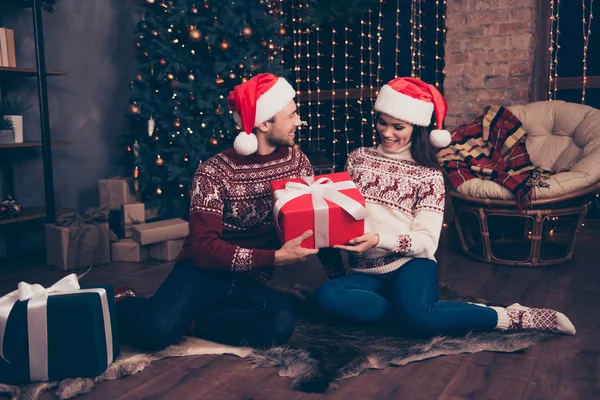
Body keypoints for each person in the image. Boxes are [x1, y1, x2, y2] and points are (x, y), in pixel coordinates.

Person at [314, 77, 576, 337]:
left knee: (419, 316)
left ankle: (509, 315)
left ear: (416, 128)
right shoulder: (358, 159)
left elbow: (427, 242)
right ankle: (418, 314)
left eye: (398, 127)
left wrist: (379, 239)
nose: (387, 132)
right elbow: (339, 212)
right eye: (382, 122)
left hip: (410, 265)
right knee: (327, 296)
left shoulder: (428, 175)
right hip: (365, 271)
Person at [115, 73, 326, 351]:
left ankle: (192, 323)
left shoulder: (298, 162)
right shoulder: (215, 171)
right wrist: (274, 257)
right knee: (154, 333)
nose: (299, 121)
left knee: (279, 325)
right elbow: (203, 249)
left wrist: (336, 273)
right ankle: (125, 301)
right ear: (264, 123)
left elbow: (313, 221)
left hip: (250, 277)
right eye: (291, 115)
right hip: (202, 271)